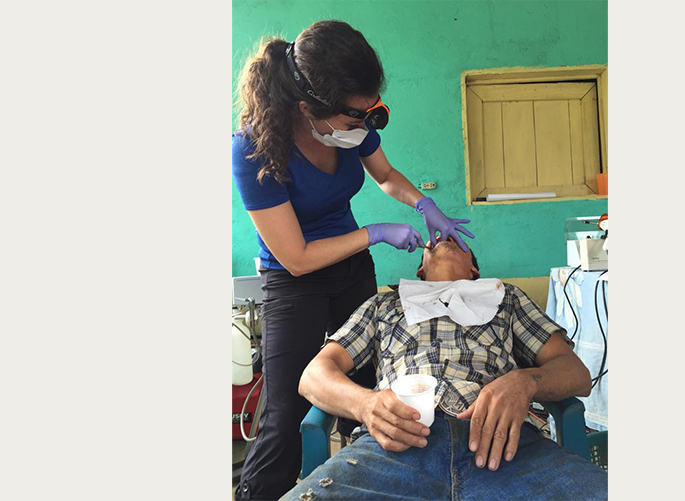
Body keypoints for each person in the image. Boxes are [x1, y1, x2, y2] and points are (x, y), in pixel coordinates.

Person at [231, 21, 474, 500]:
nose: (362, 130)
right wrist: (376, 233)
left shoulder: (352, 123)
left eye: (369, 115)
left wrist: (423, 205)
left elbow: (385, 175)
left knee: (372, 385)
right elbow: (296, 258)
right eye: (352, 122)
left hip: (352, 270)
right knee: (287, 412)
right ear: (307, 109)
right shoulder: (253, 150)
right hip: (293, 281)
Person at [282, 237, 609, 500]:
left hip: (503, 445)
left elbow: (577, 374)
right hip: (393, 447)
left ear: (474, 270)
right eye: (434, 238)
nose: (444, 236)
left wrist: (525, 382)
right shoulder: (384, 305)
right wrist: (366, 404)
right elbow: (314, 376)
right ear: (420, 271)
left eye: (457, 238)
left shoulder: (506, 298)